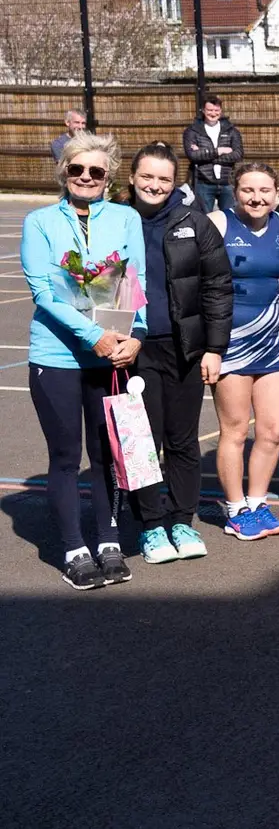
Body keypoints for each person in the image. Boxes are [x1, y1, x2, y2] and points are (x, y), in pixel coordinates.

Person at [28, 132, 148, 588]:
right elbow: (43, 292)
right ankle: (74, 548)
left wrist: (136, 334)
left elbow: (136, 281)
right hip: (57, 354)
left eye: (96, 171)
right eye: (77, 169)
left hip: (111, 355)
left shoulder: (125, 217)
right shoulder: (41, 221)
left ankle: (109, 539)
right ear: (64, 172)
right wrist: (92, 334)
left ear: (108, 176)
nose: (86, 178)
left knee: (104, 456)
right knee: (64, 457)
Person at [125, 142, 230, 564]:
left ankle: (182, 520)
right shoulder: (114, 219)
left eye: (164, 179)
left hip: (184, 348)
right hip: (132, 349)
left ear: (175, 183)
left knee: (183, 439)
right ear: (131, 178)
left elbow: (217, 287)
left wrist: (214, 348)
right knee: (142, 441)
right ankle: (151, 526)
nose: (154, 185)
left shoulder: (194, 222)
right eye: (146, 176)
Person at [211, 163, 279, 541]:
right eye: (248, 190)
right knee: (234, 430)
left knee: (273, 430)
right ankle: (234, 508)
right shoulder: (218, 223)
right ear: (235, 191)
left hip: (272, 341)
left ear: (277, 192)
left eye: (265, 191)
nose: (256, 198)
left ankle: (258, 502)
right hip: (230, 340)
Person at [182, 96, 244, 214]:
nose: (213, 113)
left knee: (230, 216)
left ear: (220, 111)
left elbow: (238, 154)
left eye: (216, 110)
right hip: (203, 182)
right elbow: (192, 155)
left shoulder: (231, 131)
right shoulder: (192, 131)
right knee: (204, 218)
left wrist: (205, 153)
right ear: (203, 111)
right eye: (210, 110)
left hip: (227, 182)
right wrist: (219, 151)